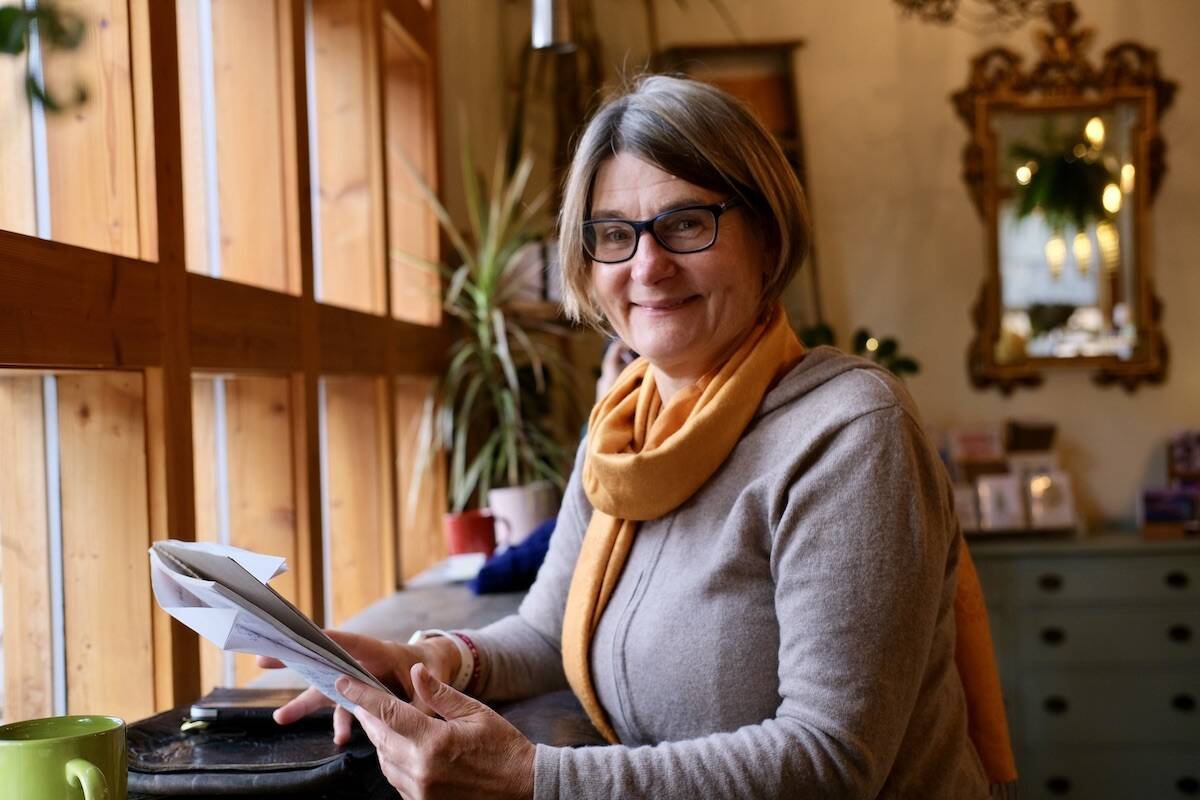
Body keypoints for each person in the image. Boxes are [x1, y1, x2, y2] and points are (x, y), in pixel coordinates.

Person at [262, 74, 1017, 799]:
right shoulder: (622, 428)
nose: (648, 266)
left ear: (767, 233)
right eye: (614, 234)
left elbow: (831, 759)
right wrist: (427, 660)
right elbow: (550, 627)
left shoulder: (848, 434)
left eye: (687, 222)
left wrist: (535, 780)